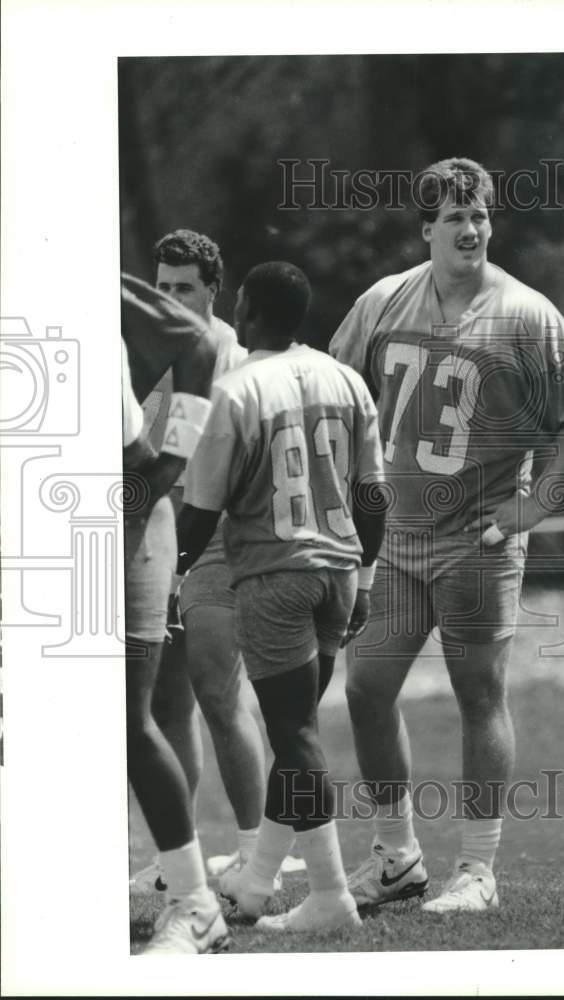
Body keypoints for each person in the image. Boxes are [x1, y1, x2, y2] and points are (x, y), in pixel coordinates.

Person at [329, 157, 564, 913]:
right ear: (426, 229)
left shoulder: (524, 313)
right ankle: (396, 857)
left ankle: (477, 871)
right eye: (454, 216)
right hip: (396, 537)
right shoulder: (384, 301)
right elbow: (335, 391)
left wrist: (537, 505)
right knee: (364, 688)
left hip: (479, 536)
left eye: (480, 214)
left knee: (477, 691)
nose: (471, 228)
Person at [177, 261, 386, 934]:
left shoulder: (236, 389)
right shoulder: (345, 379)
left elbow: (203, 508)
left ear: (252, 313)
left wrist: (171, 568)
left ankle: (329, 897)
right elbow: (373, 495)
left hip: (275, 571)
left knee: (293, 735)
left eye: (240, 305)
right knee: (296, 731)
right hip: (340, 569)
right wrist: (367, 574)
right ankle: (258, 881)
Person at [129, 229, 276, 896]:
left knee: (221, 694)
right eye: (162, 287)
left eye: (185, 287)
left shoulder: (230, 356)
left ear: (214, 290)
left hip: (215, 543)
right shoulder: (151, 351)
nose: (172, 299)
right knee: (165, 706)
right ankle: (175, 859)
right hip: (163, 539)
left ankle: (257, 853)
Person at [121, 273, 228, 954]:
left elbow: (197, 344)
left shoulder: (70, 278)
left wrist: (166, 462)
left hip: (122, 519)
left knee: (135, 718)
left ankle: (193, 899)